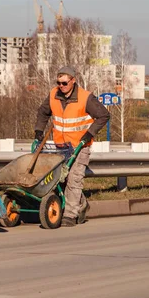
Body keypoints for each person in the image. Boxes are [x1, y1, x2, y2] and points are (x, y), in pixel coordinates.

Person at [34, 66, 110, 227]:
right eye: (58, 83)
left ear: (73, 81)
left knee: (74, 179)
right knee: (60, 180)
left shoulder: (85, 98)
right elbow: (43, 112)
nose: (61, 86)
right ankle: (81, 204)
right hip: (60, 145)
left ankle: (70, 215)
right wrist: (39, 131)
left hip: (80, 145)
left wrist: (90, 133)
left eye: (64, 83)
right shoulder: (53, 95)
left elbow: (104, 115)